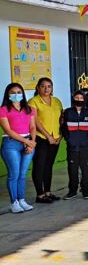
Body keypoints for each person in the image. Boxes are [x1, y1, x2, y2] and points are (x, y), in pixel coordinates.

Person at [1, 83, 38, 213]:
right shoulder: (4, 109)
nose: (16, 94)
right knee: (14, 174)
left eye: (19, 92)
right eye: (13, 92)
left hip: (28, 141)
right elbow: (8, 130)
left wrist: (32, 142)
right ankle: (14, 202)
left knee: (23, 174)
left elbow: (33, 127)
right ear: (8, 94)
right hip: (11, 143)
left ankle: (22, 200)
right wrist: (27, 142)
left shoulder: (30, 109)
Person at [29, 77, 63, 203]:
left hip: (55, 138)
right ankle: (40, 194)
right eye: (43, 86)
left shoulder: (57, 101)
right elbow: (35, 121)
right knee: (39, 165)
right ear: (37, 87)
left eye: (49, 86)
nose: (46, 89)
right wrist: (48, 136)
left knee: (49, 166)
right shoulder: (33, 101)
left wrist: (60, 135)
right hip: (41, 138)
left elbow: (61, 119)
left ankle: (48, 192)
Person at [61, 90, 88, 200]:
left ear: (84, 99)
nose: (79, 100)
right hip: (72, 146)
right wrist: (68, 139)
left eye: (81, 98)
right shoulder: (68, 112)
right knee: (72, 169)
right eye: (77, 97)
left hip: (86, 146)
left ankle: (85, 191)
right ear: (73, 98)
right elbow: (63, 127)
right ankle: (72, 191)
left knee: (86, 169)